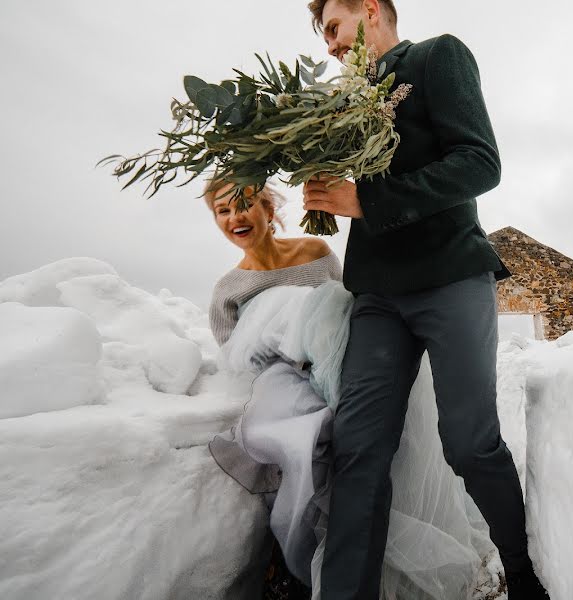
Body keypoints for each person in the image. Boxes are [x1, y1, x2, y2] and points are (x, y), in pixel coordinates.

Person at [302, 1, 550, 599]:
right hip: (378, 296)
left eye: (333, 28)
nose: (330, 46)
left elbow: (479, 163)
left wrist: (369, 201)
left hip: (451, 276)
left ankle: (522, 574)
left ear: (369, 9)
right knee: (358, 450)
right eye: (324, 37)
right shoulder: (338, 103)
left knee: (468, 441)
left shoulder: (438, 55)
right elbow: (347, 188)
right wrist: (320, 189)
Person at [205, 179, 494, 599]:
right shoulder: (227, 290)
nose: (236, 218)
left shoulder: (315, 253)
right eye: (223, 211)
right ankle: (295, 564)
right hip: (283, 382)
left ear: (268, 209)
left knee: (367, 444)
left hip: (340, 368)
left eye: (244, 205)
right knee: (302, 442)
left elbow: (351, 308)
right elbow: (235, 357)